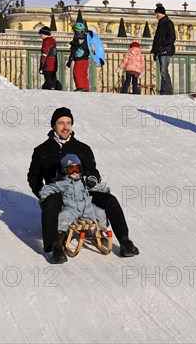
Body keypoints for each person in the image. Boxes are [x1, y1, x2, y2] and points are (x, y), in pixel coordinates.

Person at [27, 107, 139, 264]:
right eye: (61, 123)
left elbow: (94, 172)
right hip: (58, 192)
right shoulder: (41, 151)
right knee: (51, 204)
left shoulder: (83, 149)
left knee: (110, 199)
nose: (65, 127)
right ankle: (55, 246)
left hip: (82, 190)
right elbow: (34, 177)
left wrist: (91, 179)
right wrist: (43, 195)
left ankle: (125, 241)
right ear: (54, 125)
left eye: (69, 123)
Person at [39, 153, 109, 249]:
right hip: (71, 208)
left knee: (100, 213)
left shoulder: (84, 180)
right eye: (71, 169)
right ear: (65, 170)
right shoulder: (62, 183)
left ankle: (100, 234)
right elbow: (50, 188)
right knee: (63, 216)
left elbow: (97, 187)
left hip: (87, 207)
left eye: (77, 168)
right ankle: (61, 235)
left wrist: (103, 188)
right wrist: (44, 196)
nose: (75, 172)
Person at [150, 5, 175, 95]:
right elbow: (157, 39)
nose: (156, 15)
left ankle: (167, 91)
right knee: (163, 72)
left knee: (164, 71)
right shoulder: (161, 23)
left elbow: (172, 37)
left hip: (166, 50)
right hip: (161, 51)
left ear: (161, 13)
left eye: (157, 13)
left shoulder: (168, 23)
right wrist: (155, 51)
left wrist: (162, 45)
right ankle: (164, 91)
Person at [67, 22, 90, 92]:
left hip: (79, 60)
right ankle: (86, 88)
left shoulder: (76, 40)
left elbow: (73, 51)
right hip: (86, 60)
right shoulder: (87, 38)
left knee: (77, 73)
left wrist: (70, 60)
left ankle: (80, 87)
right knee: (83, 74)